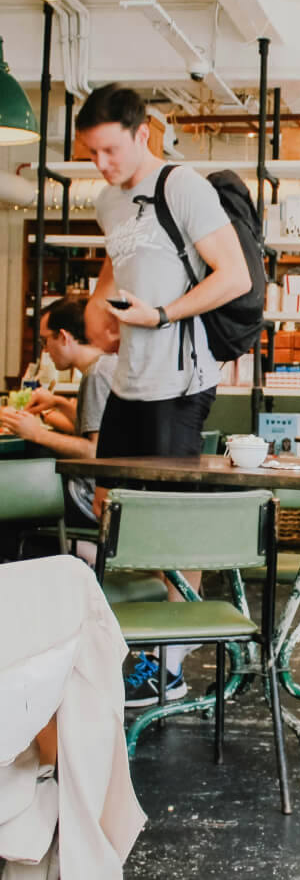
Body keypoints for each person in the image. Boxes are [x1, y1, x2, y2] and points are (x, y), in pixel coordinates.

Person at [78, 83, 252, 706]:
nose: (102, 165)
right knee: (112, 513)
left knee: (173, 528)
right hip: (128, 381)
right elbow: (119, 258)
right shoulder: (107, 201)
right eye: (92, 154)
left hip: (180, 381)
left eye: (110, 151)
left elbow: (232, 277)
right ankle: (121, 648)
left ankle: (169, 667)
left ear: (141, 133)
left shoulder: (183, 187)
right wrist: (103, 307)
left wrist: (163, 314)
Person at [0, 298, 117, 540]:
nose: (45, 351)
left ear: (63, 336)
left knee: (8, 499)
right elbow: (107, 430)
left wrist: (36, 433)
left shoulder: (96, 375)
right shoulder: (109, 365)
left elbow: (97, 452)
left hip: (88, 497)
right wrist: (61, 404)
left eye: (45, 341)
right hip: (109, 495)